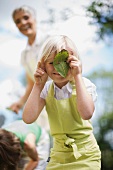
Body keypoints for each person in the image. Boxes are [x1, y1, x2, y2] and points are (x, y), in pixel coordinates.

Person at [23, 35, 101, 170]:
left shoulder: (84, 85)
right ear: (43, 65)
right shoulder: (46, 89)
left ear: (73, 62)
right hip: (58, 156)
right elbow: (28, 118)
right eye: (51, 63)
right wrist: (37, 85)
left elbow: (87, 114)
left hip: (85, 155)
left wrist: (77, 76)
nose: (56, 68)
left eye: (63, 62)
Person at [8, 5, 49, 129]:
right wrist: (20, 103)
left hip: (61, 100)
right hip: (41, 107)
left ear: (35, 19)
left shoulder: (50, 41)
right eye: (18, 21)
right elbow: (31, 83)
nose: (23, 23)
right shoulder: (24, 55)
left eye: (26, 17)